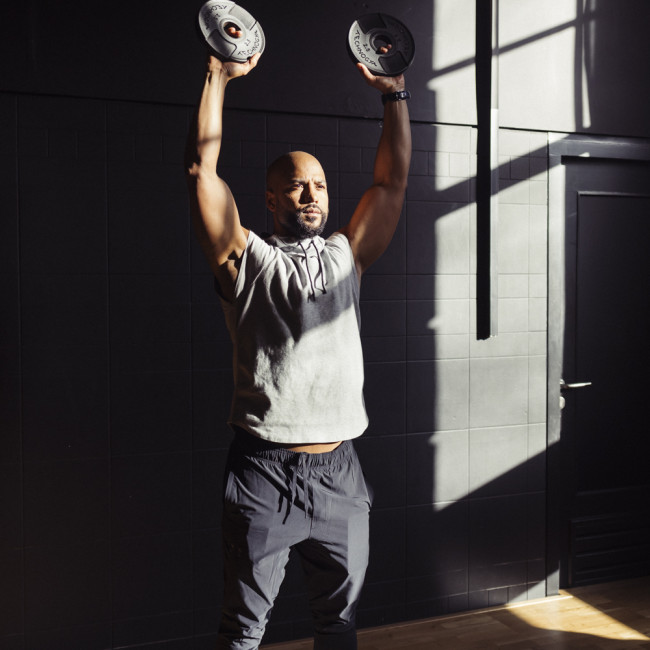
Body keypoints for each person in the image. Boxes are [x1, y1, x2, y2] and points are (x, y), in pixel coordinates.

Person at [185, 29, 411, 650]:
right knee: (243, 631)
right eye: (295, 185)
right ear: (269, 197)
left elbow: (391, 184)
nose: (310, 194)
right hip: (264, 471)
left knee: (339, 626)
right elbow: (202, 170)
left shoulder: (346, 256)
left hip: (341, 471)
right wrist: (218, 75)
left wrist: (394, 92)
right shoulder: (244, 258)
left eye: (319, 185)